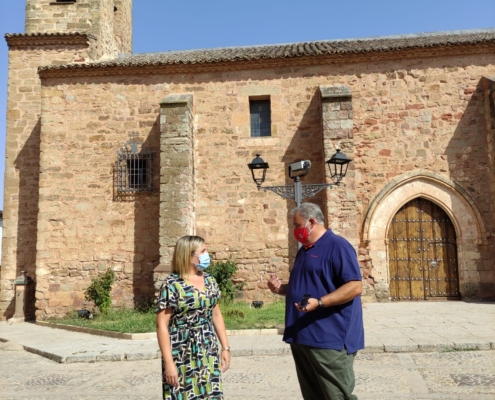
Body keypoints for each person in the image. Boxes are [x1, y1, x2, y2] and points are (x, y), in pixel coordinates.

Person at [268, 203, 364, 400]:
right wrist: (281, 289)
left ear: (311, 222)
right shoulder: (305, 250)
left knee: (337, 396)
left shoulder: (338, 246)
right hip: (302, 336)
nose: (294, 231)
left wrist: (320, 302)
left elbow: (355, 286)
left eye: (297, 225)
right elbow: (306, 287)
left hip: (329, 339)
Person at [155, 235, 230, 400]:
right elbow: (161, 326)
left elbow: (216, 314)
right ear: (189, 255)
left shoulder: (210, 280)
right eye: (203, 251)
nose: (207, 254)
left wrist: (225, 347)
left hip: (207, 349)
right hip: (181, 351)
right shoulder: (172, 285)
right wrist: (169, 363)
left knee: (210, 394)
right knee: (182, 394)